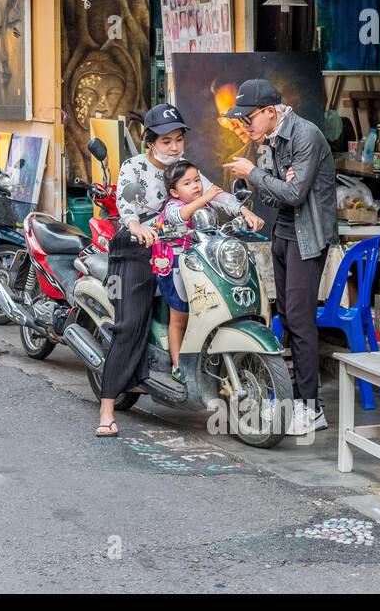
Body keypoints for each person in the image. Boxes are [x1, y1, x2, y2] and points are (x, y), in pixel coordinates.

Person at [95, 103, 264, 438]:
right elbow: (127, 205)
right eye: (165, 141)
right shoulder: (134, 168)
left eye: (177, 140)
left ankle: (180, 368)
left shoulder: (187, 170)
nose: (173, 147)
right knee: (128, 325)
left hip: (178, 250)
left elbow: (214, 195)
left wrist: (243, 213)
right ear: (150, 144)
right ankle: (107, 408)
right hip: (138, 250)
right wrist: (135, 227)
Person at [224, 78, 339, 437]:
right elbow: (278, 197)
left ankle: (311, 408)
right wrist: (271, 182)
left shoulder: (304, 135)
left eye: (250, 118)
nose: (246, 126)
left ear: (270, 112)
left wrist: (258, 175)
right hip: (284, 234)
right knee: (287, 317)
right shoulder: (271, 140)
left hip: (308, 239)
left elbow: (291, 192)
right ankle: (296, 401)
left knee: (302, 323)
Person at [150, 159, 228, 381]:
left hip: (198, 265)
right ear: (174, 191)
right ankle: (176, 365)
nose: (195, 186)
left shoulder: (204, 205)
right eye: (187, 183)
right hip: (174, 266)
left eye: (197, 180)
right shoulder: (173, 206)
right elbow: (179, 217)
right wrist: (206, 197)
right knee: (179, 318)